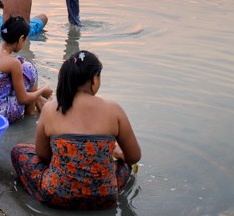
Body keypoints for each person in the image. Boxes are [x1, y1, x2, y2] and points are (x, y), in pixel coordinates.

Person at [11, 50, 140, 210]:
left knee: (19, 151)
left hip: (57, 195)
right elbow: (134, 156)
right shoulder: (114, 110)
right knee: (124, 163)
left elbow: (43, 155)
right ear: (94, 78)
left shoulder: (51, 109)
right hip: (105, 197)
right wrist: (118, 153)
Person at [0, 16, 53, 123]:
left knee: (24, 67)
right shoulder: (13, 62)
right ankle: (31, 114)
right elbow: (23, 99)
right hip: (0, 116)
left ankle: (37, 99)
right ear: (21, 39)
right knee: (29, 69)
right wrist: (42, 91)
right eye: (25, 40)